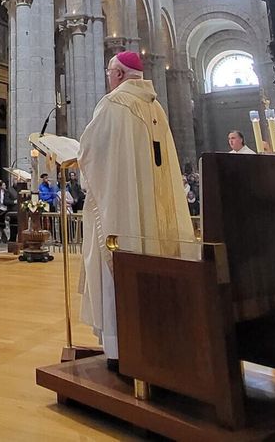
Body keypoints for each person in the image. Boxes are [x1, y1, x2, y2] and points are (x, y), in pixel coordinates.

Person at [79, 50, 193, 365]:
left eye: (108, 71)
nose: (106, 76)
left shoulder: (114, 105)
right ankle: (156, 337)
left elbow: (90, 152)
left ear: (117, 74)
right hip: (156, 213)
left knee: (118, 258)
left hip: (122, 208)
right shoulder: (156, 107)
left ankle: (119, 346)